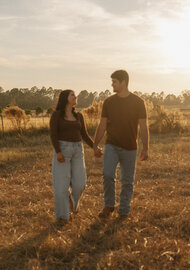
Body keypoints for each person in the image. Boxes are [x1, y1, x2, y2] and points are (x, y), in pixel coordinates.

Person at [93, 70, 149, 219]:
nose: (112, 84)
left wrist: (146, 148)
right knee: (108, 174)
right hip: (111, 145)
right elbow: (102, 125)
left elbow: (143, 126)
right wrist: (95, 144)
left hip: (130, 147)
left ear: (123, 82)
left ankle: (124, 211)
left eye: (114, 82)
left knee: (127, 181)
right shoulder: (109, 102)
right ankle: (109, 205)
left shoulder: (138, 102)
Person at [50, 89, 101, 221]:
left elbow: (84, 134)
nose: (75, 96)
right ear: (65, 98)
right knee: (61, 186)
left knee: (80, 183)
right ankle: (62, 217)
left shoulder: (79, 116)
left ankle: (72, 201)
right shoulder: (56, 115)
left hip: (78, 150)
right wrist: (58, 151)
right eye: (72, 94)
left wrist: (95, 147)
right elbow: (53, 134)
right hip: (62, 150)